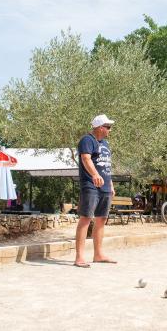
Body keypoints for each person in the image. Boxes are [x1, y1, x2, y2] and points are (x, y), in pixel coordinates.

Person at [74, 114, 117, 268]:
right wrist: (95, 175)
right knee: (86, 219)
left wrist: (110, 184)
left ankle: (98, 254)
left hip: (104, 187)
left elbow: (106, 165)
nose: (109, 130)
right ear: (100, 127)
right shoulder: (87, 140)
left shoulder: (105, 144)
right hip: (90, 185)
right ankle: (79, 257)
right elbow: (86, 159)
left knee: (101, 219)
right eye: (108, 127)